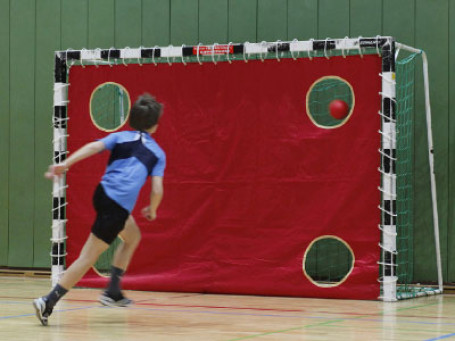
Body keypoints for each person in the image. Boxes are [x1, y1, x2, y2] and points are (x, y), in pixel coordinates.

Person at [33, 93, 166, 326]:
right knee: (88, 256)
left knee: (132, 236)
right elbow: (157, 189)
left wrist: (65, 164)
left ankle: (113, 291)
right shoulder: (157, 153)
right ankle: (48, 300)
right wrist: (152, 210)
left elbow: (94, 147)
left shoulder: (121, 137)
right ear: (155, 125)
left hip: (102, 194)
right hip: (116, 207)